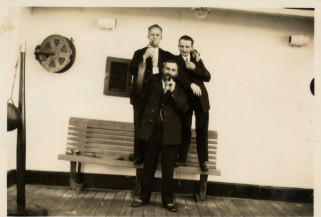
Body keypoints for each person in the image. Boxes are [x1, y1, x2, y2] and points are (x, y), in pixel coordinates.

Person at [131, 60, 188, 212]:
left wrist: (174, 91)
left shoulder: (181, 87)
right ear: (163, 69)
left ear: (177, 73)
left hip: (171, 133)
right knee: (149, 166)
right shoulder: (153, 82)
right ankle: (143, 197)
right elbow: (140, 99)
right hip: (152, 131)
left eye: (173, 70)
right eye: (167, 68)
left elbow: (184, 108)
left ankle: (168, 200)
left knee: (168, 169)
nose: (169, 72)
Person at [128, 24, 175, 164]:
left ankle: (150, 157)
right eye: (152, 34)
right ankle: (138, 155)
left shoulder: (166, 55)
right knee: (139, 125)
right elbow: (131, 70)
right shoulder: (139, 52)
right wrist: (143, 58)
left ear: (161, 37)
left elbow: (177, 65)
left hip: (156, 98)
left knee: (153, 127)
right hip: (141, 98)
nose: (154, 37)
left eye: (157, 35)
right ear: (148, 36)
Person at [175, 35, 211, 171]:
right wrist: (191, 85)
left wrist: (196, 68)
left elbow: (207, 77)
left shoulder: (197, 59)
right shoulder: (176, 61)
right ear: (178, 46)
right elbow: (177, 77)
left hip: (201, 100)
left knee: (202, 130)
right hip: (185, 101)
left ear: (192, 48)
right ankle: (182, 158)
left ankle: (203, 162)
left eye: (187, 46)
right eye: (182, 46)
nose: (184, 49)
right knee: (185, 129)